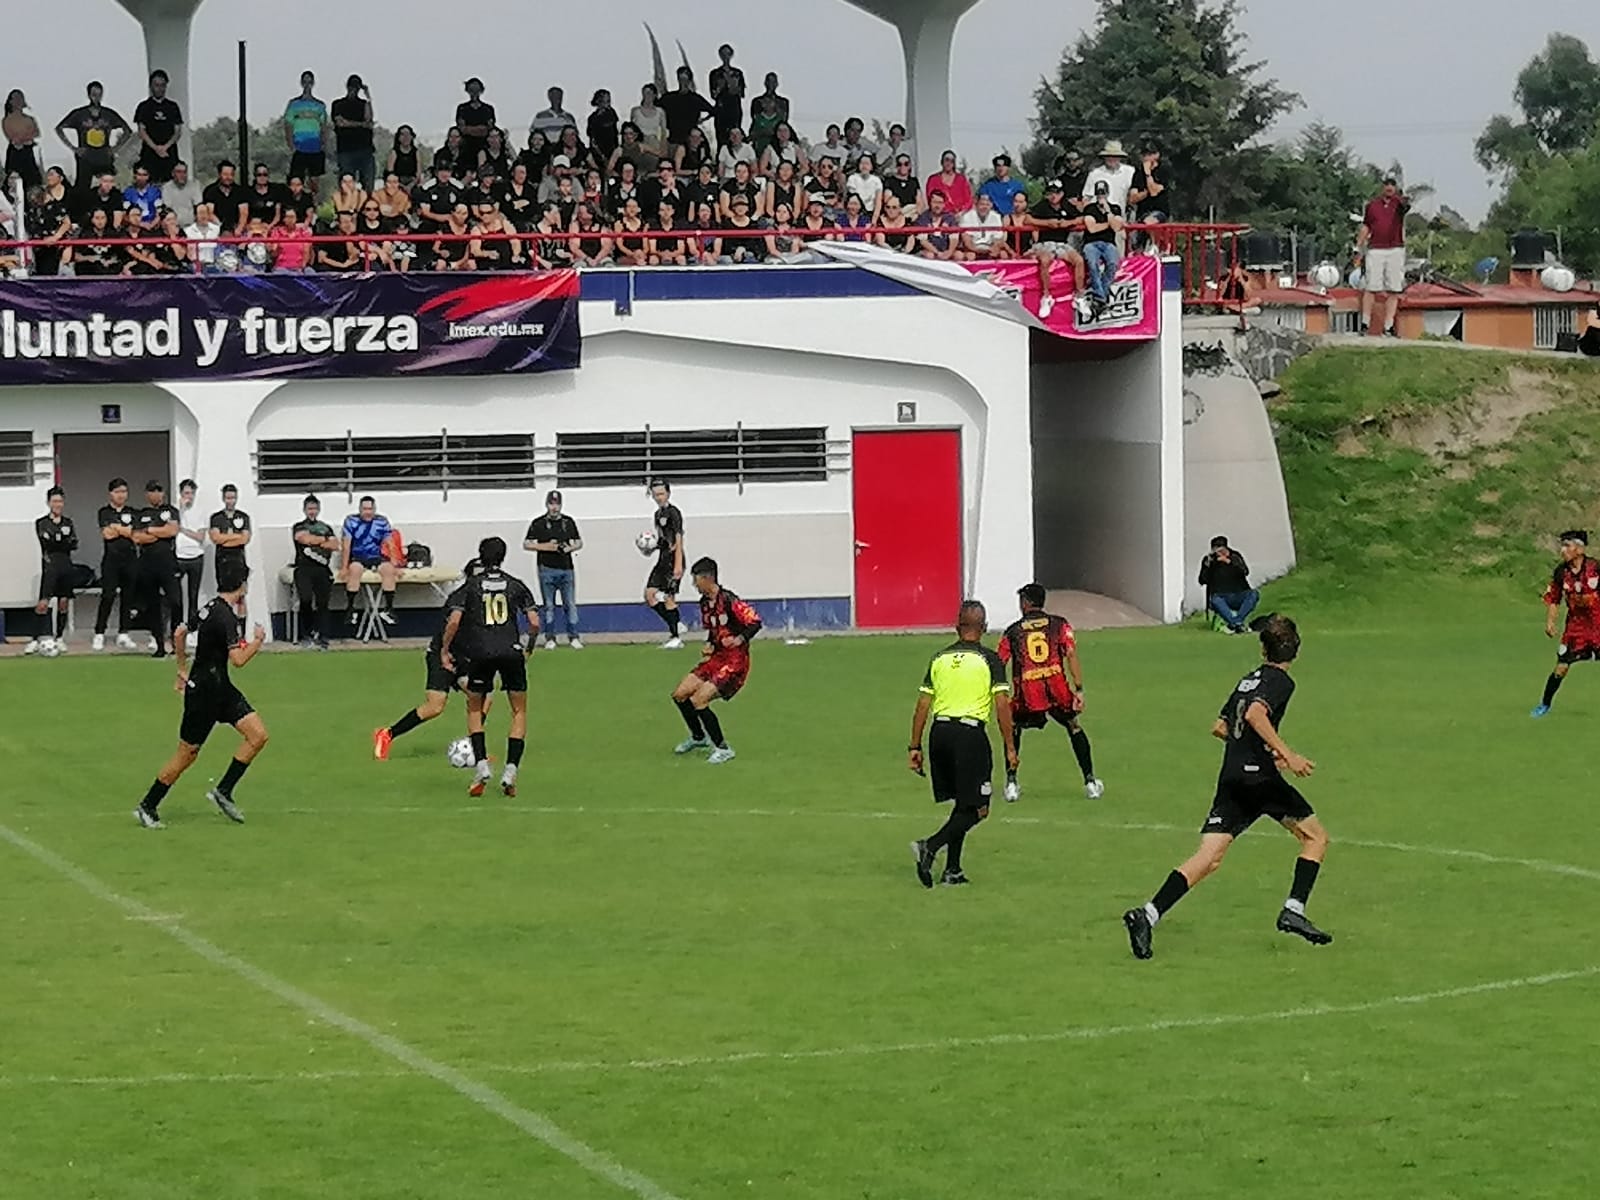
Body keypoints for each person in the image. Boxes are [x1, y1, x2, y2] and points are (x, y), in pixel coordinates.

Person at [1121, 614, 1332, 958]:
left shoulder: (1247, 680)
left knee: (1209, 857)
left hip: (1233, 777)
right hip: (1258, 779)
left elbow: (1221, 727)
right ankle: (1293, 910)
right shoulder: (1280, 681)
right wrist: (1287, 755)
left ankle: (1147, 915)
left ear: (1263, 649)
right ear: (1296, 650)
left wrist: (1261, 750)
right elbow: (1255, 716)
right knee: (1315, 838)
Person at [134, 564, 268, 829]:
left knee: (258, 735)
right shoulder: (225, 617)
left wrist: (182, 667)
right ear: (241, 585)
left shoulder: (209, 607)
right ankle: (148, 805)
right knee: (187, 754)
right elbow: (238, 659)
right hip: (204, 695)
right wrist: (257, 641)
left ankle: (223, 791)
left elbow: (179, 632)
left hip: (221, 689)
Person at [908, 601, 1018, 888]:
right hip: (969, 737)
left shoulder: (939, 658)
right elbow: (1002, 705)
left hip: (939, 734)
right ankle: (930, 846)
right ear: (984, 627)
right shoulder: (990, 659)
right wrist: (1010, 747)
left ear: (957, 627)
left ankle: (953, 870)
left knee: (962, 803)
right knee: (979, 809)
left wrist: (914, 747)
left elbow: (922, 705)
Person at [440, 537, 539, 798]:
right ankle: (510, 771)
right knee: (518, 711)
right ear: (503, 556)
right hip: (511, 651)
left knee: (475, 707)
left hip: (481, 653)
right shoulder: (516, 585)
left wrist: (445, 649)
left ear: (481, 556)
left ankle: (482, 766)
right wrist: (529, 647)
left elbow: (454, 621)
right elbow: (534, 622)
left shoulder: (471, 586)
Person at [374, 559, 494, 761]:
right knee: (435, 707)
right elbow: (452, 628)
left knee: (484, 696)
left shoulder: (484, 601)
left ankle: (474, 748)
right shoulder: (459, 599)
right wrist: (445, 653)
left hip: (463, 657)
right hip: (442, 655)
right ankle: (387, 734)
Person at [997, 583, 1102, 802]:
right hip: (1056, 688)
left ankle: (1011, 783)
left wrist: (1001, 692)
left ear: (1026, 603)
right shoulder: (1059, 624)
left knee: (1014, 728)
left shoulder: (1013, 631)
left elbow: (1000, 662)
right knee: (1073, 726)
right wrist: (1079, 689)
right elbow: (1070, 653)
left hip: (1029, 690)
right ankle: (1090, 782)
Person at [670, 557, 760, 765]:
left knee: (699, 699)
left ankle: (723, 748)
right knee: (680, 694)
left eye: (696, 580)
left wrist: (739, 639)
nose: (694, 584)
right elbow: (713, 630)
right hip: (716, 659)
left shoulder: (729, 601)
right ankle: (698, 737)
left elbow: (755, 622)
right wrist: (710, 644)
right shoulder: (704, 603)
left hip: (735, 662)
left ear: (708, 579)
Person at [1531, 530, 1600, 718]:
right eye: (1563, 546)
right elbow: (1554, 599)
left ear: (1579, 549)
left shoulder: (1595, 568)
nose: (1563, 550)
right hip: (1576, 629)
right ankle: (1544, 705)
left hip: (1598, 625)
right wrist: (1550, 622)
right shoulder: (1561, 572)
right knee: (1561, 667)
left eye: (1567, 546)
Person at [523, 490, 583, 650]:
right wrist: (547, 547)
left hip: (566, 568)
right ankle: (550, 637)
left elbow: (578, 542)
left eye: (557, 504)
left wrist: (568, 548)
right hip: (546, 569)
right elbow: (527, 544)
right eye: (551, 504)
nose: (554, 507)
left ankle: (573, 636)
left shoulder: (568, 522)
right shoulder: (538, 523)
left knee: (570, 604)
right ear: (547, 504)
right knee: (549, 606)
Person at [133, 480, 183, 656]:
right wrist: (159, 532)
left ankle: (176, 642)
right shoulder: (141, 514)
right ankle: (159, 644)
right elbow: (137, 537)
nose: (156, 494)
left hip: (168, 562)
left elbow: (172, 531)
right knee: (152, 605)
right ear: (147, 494)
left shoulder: (170, 511)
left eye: (159, 491)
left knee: (176, 602)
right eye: (153, 491)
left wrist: (150, 531)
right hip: (147, 563)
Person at [26, 487, 78, 656]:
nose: (58, 504)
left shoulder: (68, 522)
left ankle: (59, 638)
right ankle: (34, 639)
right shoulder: (41, 522)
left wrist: (59, 539)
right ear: (49, 503)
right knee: (43, 604)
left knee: (63, 603)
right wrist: (61, 538)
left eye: (60, 501)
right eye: (54, 501)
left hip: (66, 565)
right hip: (50, 565)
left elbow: (73, 543)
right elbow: (47, 542)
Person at [1357, 175, 1410, 337]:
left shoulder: (1399, 204)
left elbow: (1406, 206)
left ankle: (1388, 326)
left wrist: (1399, 196)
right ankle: (1365, 323)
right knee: (1371, 287)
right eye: (1387, 184)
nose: (1389, 187)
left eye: (1392, 185)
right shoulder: (1372, 206)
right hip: (1375, 249)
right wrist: (1358, 245)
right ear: (1382, 187)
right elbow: (1366, 226)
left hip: (1395, 249)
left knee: (1394, 289)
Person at [55, 81, 130, 191]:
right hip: (86, 156)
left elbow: (127, 131)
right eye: (94, 95)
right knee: (82, 188)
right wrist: (74, 148)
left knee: (107, 187)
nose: (97, 98)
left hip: (104, 156)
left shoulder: (108, 114)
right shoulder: (80, 114)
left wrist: (115, 148)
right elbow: (59, 128)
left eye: (99, 95)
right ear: (89, 95)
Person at [93, 477, 140, 652]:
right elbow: (107, 534)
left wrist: (117, 528)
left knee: (128, 597)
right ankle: (99, 633)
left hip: (130, 559)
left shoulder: (133, 512)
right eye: (118, 492)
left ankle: (124, 633)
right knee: (108, 596)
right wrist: (123, 530)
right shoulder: (104, 512)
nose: (121, 495)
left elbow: (135, 534)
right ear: (111, 493)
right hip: (111, 560)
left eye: (124, 492)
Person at [290, 494, 339, 649]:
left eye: (314, 508)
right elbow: (304, 539)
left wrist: (316, 540)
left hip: (322, 569)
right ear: (304, 510)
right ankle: (306, 633)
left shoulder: (325, 527)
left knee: (323, 603)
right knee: (305, 599)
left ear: (319, 510)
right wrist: (323, 540)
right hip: (304, 568)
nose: (312, 511)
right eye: (309, 508)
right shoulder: (299, 526)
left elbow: (335, 545)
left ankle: (323, 635)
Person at [341, 495, 398, 627]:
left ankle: (389, 608)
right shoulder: (351, 521)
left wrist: (395, 563)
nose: (368, 512)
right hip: (358, 557)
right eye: (365, 509)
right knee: (354, 570)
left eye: (370, 509)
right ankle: (351, 608)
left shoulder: (381, 521)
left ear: (374, 509)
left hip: (376, 557)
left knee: (389, 570)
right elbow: (346, 545)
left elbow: (390, 543)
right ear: (360, 509)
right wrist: (344, 567)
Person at [645, 478, 686, 647]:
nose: (659, 497)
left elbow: (678, 538)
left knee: (669, 597)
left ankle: (675, 637)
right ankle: (675, 622)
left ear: (668, 493)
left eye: (661, 494)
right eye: (656, 495)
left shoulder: (674, 513)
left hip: (673, 559)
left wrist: (678, 563)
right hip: (662, 559)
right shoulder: (657, 515)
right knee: (650, 595)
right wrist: (651, 548)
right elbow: (663, 540)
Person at [1198, 536, 1259, 634]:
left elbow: (1245, 572)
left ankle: (1235, 622)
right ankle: (1237, 623)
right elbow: (1202, 580)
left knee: (1253, 594)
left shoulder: (1235, 557)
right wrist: (1207, 567)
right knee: (1215, 600)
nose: (1219, 554)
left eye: (1221, 551)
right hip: (1221, 596)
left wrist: (1229, 562)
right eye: (1216, 551)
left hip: (1239, 593)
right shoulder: (1210, 560)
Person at [133, 69, 183, 184]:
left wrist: (165, 147)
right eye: (156, 85)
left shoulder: (173, 107)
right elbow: (142, 131)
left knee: (170, 185)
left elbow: (177, 132)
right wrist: (156, 148)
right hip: (149, 154)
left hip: (169, 154)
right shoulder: (143, 107)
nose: (159, 88)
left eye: (162, 85)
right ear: (151, 86)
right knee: (149, 185)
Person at [283, 71, 329, 193]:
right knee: (296, 182)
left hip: (315, 148)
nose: (307, 84)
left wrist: (324, 145)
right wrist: (291, 145)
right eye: (305, 82)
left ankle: (313, 203)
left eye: (309, 82)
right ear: (301, 83)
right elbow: (288, 125)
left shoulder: (319, 105)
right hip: (299, 147)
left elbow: (324, 127)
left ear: (313, 83)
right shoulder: (294, 104)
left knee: (314, 182)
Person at [331, 74, 376, 193]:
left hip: (365, 149)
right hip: (346, 150)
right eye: (351, 87)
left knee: (368, 186)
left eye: (356, 87)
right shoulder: (338, 104)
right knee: (346, 186)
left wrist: (368, 97)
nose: (353, 90)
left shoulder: (363, 104)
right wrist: (361, 124)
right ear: (347, 87)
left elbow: (369, 120)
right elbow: (340, 123)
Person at [173, 479, 207, 629]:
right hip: (179, 556)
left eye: (192, 493)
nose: (189, 496)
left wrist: (183, 530)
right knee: (176, 596)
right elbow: (172, 529)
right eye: (186, 493)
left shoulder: (200, 512)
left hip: (196, 557)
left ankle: (192, 628)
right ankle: (177, 627)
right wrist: (180, 510)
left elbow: (200, 536)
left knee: (193, 595)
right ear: (181, 493)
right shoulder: (175, 510)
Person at [209, 484, 251, 587]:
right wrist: (237, 536)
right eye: (228, 498)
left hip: (238, 559)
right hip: (222, 559)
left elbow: (244, 539)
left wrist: (225, 539)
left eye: (233, 498)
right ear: (223, 499)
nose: (231, 501)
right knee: (224, 589)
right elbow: (216, 538)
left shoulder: (243, 517)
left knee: (240, 590)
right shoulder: (216, 518)